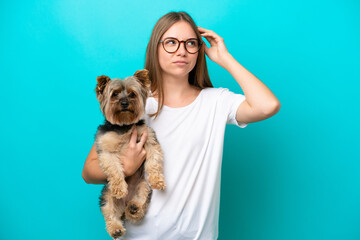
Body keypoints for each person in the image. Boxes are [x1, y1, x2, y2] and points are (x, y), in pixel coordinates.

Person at [82, 11, 280, 240]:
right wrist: (125, 167)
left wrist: (226, 59)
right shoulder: (136, 107)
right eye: (171, 42)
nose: (181, 50)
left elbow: (268, 106)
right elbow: (88, 172)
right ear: (155, 48)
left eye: (191, 43)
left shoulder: (215, 101)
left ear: (199, 51)